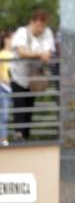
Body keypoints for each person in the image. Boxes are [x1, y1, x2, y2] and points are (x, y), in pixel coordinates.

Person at [10, 9, 56, 141]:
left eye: (43, 25)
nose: (41, 29)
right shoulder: (21, 32)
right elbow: (22, 52)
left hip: (33, 79)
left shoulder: (47, 33)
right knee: (19, 106)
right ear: (32, 22)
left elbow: (48, 53)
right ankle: (19, 136)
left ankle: (25, 137)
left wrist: (40, 54)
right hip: (18, 76)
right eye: (38, 25)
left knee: (29, 108)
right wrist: (39, 55)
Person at [0, 31, 13, 146]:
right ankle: (3, 139)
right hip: (4, 88)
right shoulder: (2, 54)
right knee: (4, 115)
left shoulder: (15, 54)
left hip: (15, 87)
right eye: (9, 38)